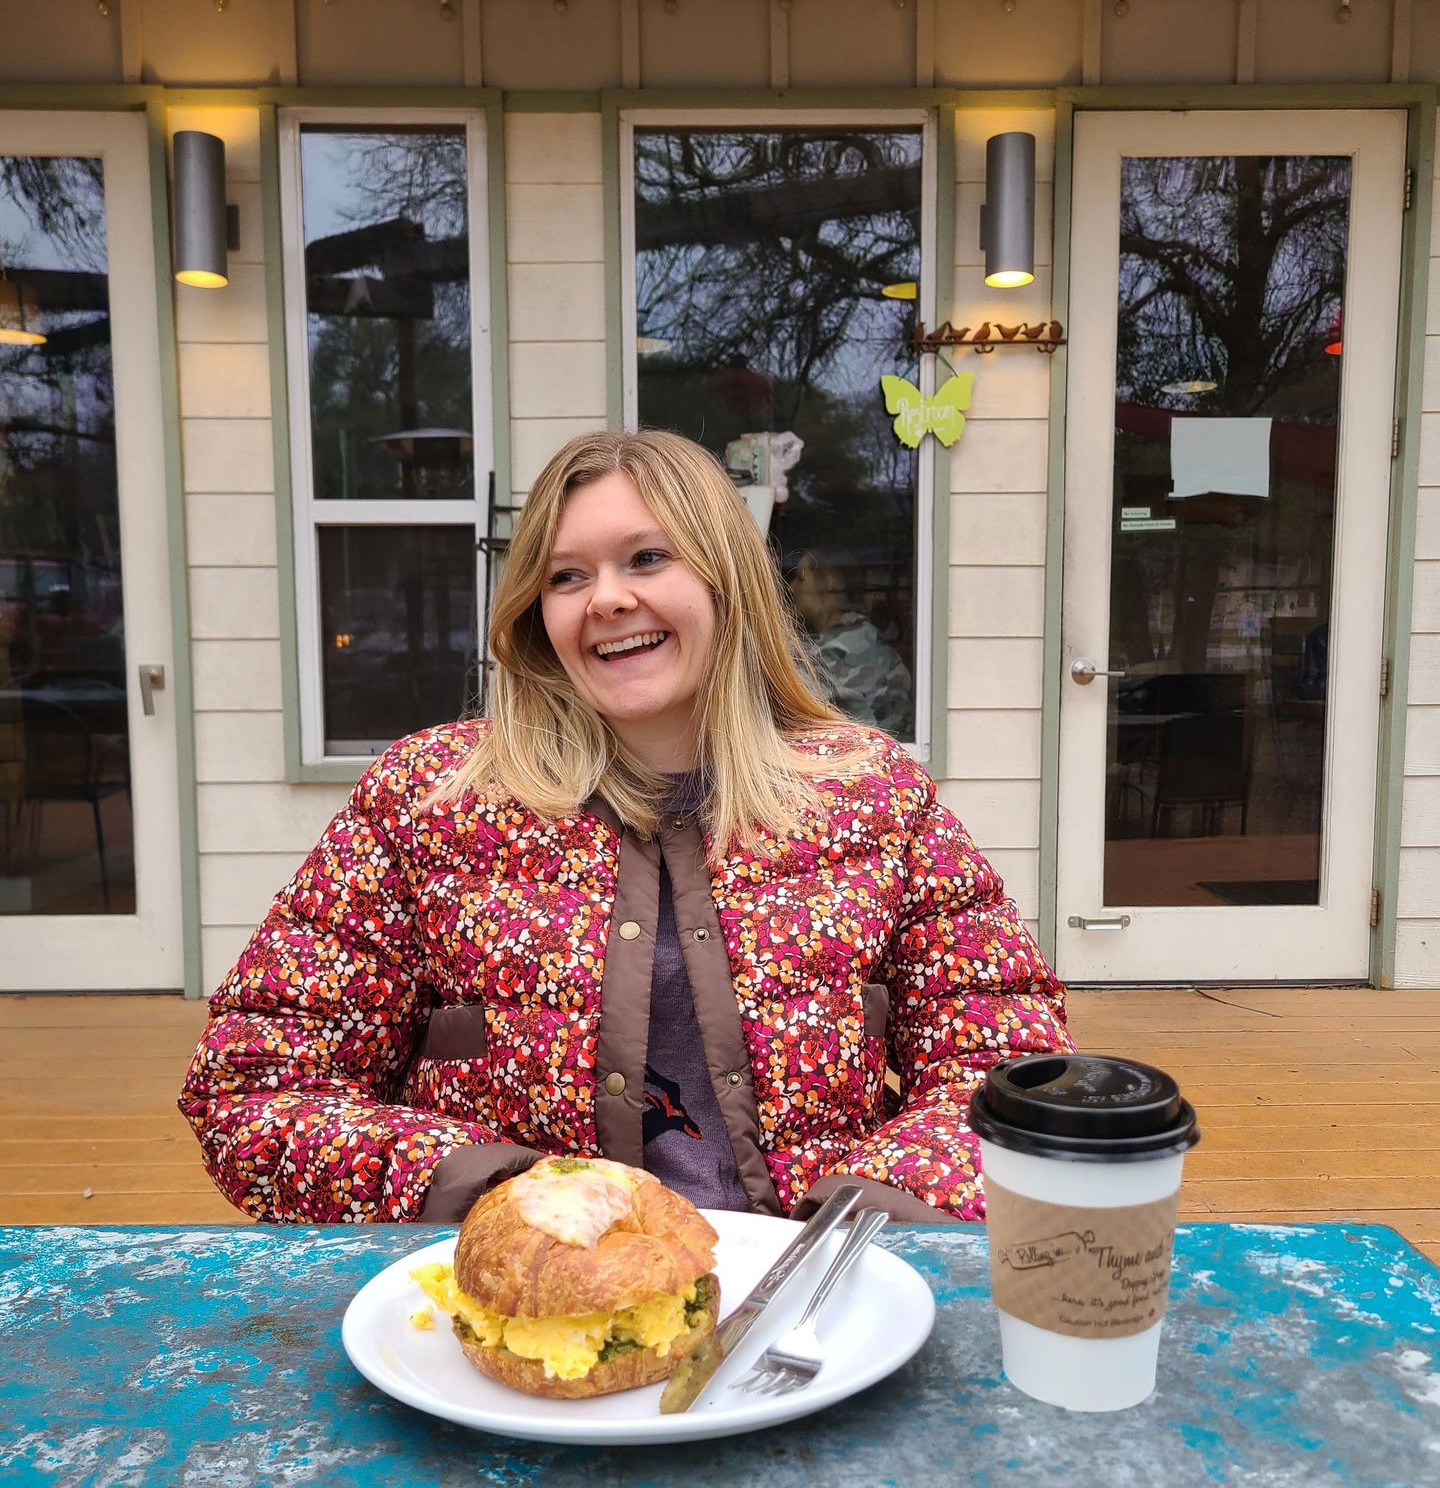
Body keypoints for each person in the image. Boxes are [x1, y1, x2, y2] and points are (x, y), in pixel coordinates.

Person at [179, 428, 1070, 1228]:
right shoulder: (428, 799)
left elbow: (1012, 1069)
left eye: (647, 558)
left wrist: (859, 1219)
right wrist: (491, 1198)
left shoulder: (869, 793)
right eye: (566, 576)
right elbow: (256, 1084)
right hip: (523, 1307)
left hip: (812, 1301)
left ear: (726, 578)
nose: (605, 598)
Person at [788, 546, 913, 735]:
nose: (791, 587)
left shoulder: (827, 656)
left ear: (827, 584)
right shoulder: (871, 638)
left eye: (800, 579)